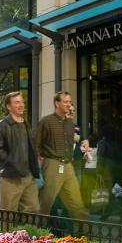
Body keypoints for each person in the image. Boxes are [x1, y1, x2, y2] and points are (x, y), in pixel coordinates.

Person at [36, 91, 87, 219]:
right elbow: (35, 143)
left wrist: (84, 140)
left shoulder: (70, 124)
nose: (68, 105)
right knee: (45, 205)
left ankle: (84, 237)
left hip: (68, 166)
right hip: (52, 164)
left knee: (78, 205)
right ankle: (36, 236)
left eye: (69, 102)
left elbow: (75, 143)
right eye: (65, 102)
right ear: (56, 103)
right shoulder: (46, 121)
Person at [0, 91, 40, 213]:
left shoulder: (26, 124)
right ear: (9, 106)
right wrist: (12, 163)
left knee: (33, 209)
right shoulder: (1, 125)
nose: (21, 105)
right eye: (17, 102)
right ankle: (9, 232)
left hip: (28, 176)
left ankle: (22, 232)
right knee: (8, 214)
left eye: (22, 102)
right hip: (10, 177)